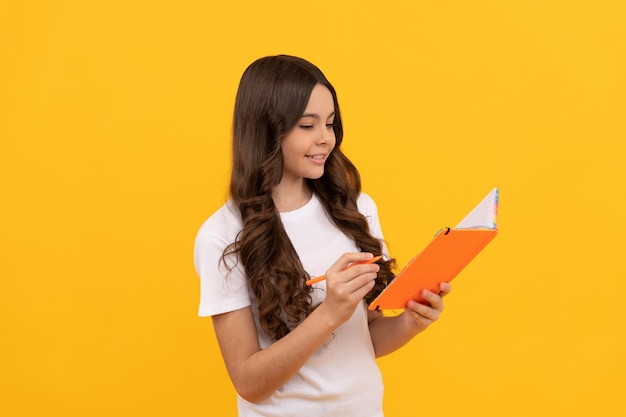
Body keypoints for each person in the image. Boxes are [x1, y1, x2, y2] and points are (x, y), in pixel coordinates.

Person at [194, 55, 452, 417]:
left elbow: (365, 339)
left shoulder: (355, 208)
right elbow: (249, 382)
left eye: (330, 124)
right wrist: (329, 312)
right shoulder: (222, 236)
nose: (325, 139)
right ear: (266, 131)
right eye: (306, 125)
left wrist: (410, 323)